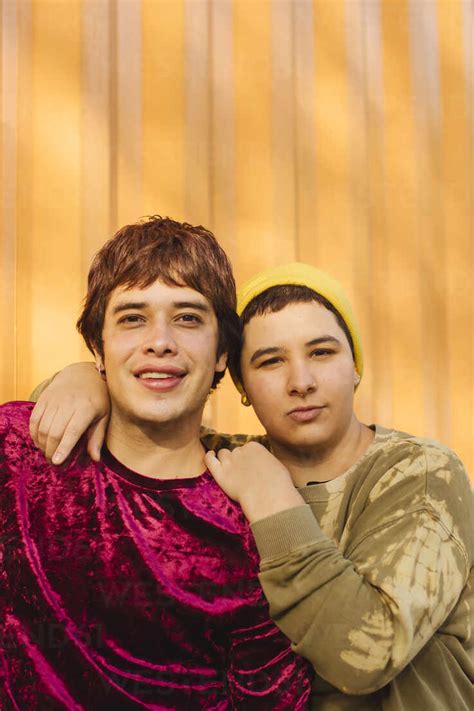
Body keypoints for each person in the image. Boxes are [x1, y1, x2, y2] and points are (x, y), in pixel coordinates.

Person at [28, 262, 473, 710]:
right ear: (240, 384)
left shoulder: (422, 475)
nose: (301, 382)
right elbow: (119, 436)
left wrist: (274, 503)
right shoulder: (224, 465)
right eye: (270, 361)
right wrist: (84, 379)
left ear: (355, 366)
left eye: (322, 353)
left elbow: (370, 653)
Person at [0, 219, 312, 709]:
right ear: (98, 349)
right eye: (131, 318)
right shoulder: (19, 449)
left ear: (221, 354)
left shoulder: (254, 518)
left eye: (187, 318)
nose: (160, 341)